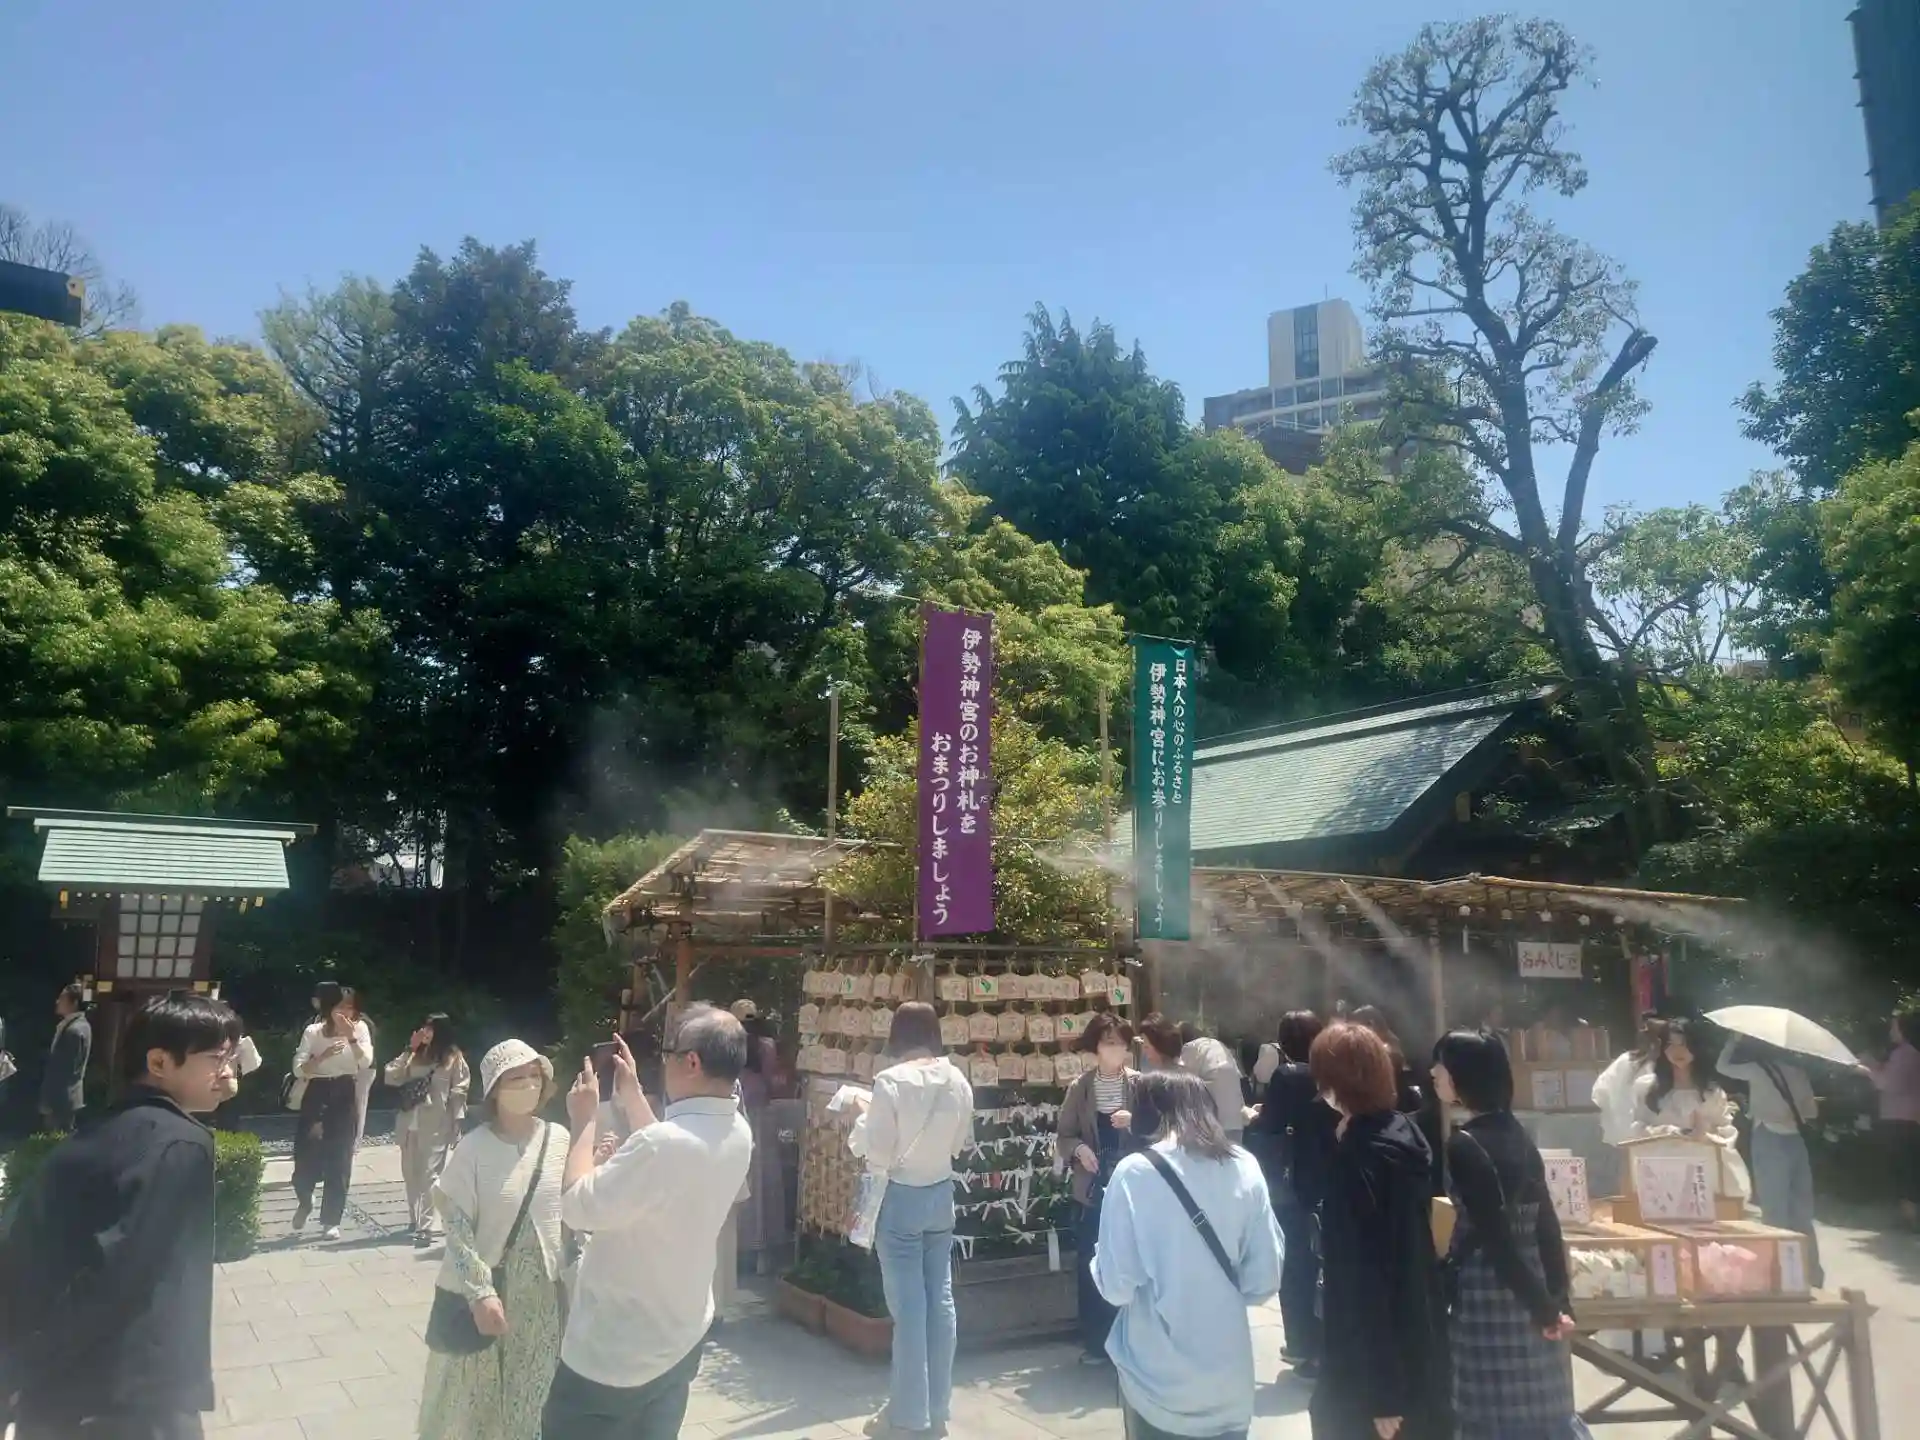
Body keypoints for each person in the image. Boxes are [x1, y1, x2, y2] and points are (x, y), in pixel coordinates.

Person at [3, 991, 238, 1439]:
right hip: (127, 1398)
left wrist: (19, 1370)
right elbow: (117, 1277)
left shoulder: (99, 1133)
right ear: (159, 1062)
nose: (228, 1073)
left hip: (59, 1398)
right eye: (216, 1058)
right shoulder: (181, 1143)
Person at [544, 1005, 754, 1440]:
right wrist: (633, 1093)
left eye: (669, 1053)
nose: (665, 1062)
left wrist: (584, 1120)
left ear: (691, 1062)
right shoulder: (737, 1129)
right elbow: (667, 1149)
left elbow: (576, 1206)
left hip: (615, 1354)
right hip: (680, 1337)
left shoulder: (663, 1147)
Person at [1091, 1069, 1283, 1440]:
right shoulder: (1244, 1166)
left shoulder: (1134, 1173)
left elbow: (1116, 1287)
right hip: (1230, 1383)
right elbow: (1264, 1280)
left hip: (1155, 1384)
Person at [1431, 1030, 1586, 1440]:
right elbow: (1546, 1224)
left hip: (1487, 1291)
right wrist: (1557, 1300)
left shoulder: (1464, 1144)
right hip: (1532, 1284)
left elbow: (1495, 1239)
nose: (1434, 1073)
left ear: (1462, 1076)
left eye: (1441, 1066)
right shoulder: (1518, 1135)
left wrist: (1545, 1308)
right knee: (1542, 1414)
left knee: (1488, 1418)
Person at [417, 1040, 566, 1440]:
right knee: (473, 1400)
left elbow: (573, 1206)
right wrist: (480, 1292)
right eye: (517, 1077)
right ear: (496, 1088)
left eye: (534, 1076)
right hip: (488, 1289)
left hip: (544, 1295)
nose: (528, 1084)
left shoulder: (558, 1139)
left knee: (534, 1392)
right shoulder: (473, 1148)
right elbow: (456, 1226)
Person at [1308, 1020, 1446, 1440]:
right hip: (1417, 1343)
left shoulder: (1357, 1161)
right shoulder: (1403, 1134)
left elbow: (1365, 1278)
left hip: (1367, 1370)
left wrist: (1383, 1392)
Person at [846, 1002, 975, 1439]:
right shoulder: (957, 1078)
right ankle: (936, 1410)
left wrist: (859, 1116)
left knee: (910, 1311)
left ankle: (907, 1415)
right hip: (940, 1194)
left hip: (900, 1198)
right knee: (940, 1303)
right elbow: (960, 1143)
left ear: (896, 1034)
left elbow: (876, 1152)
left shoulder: (890, 1081)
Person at [1245, 1009, 1335, 1374]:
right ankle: (1324, 1344)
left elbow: (1271, 1125)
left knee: (1295, 1261)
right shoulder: (1331, 1071)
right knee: (1323, 1262)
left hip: (1293, 1179)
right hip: (1330, 1175)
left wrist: (1252, 1116)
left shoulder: (1287, 1075)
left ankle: (1301, 1342)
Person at [1055, 1011, 1144, 1365]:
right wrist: (1079, 1149)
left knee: (1132, 1261)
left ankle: (1134, 1339)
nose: (1116, 1049)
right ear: (1096, 1047)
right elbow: (1064, 1135)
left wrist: (1134, 1121)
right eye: (1109, 1043)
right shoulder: (1081, 1087)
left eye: (1121, 1043)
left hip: (1133, 1186)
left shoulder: (1139, 1085)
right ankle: (1096, 1341)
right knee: (1092, 1260)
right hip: (1093, 1185)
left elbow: (1160, 1129)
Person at [1718, 1034, 1823, 1286]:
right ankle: (1811, 1275)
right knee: (1801, 1211)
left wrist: (1732, 1041)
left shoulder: (1757, 1069)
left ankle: (1777, 1275)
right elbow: (1811, 1111)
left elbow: (1722, 1067)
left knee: (1774, 1211)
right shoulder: (1799, 1072)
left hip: (1768, 1136)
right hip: (1796, 1139)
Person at [1631, 1017, 1751, 1203]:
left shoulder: (1712, 1093)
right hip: (1661, 1169)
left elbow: (1727, 1132)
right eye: (1671, 1044)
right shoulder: (1647, 1088)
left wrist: (1706, 1134)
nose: (1677, 1051)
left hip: (1703, 1173)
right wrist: (1669, 1132)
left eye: (1684, 1045)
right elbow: (1636, 1129)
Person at [290, 980, 374, 1240]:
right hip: (317, 1090)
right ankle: (305, 1198)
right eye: (340, 1007)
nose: (345, 1013)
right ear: (329, 1008)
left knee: (340, 1156)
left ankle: (331, 1221)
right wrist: (321, 1057)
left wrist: (351, 1037)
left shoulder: (360, 1029)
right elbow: (298, 1068)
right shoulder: (314, 1031)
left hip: (345, 1090)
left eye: (350, 1007)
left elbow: (366, 1062)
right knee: (307, 1148)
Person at [385, 1012, 472, 1246]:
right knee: (410, 1173)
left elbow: (459, 1091)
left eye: (430, 1028)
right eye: (424, 1027)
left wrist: (457, 1122)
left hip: (437, 1123)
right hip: (409, 1121)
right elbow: (391, 1076)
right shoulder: (414, 1054)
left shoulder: (453, 1058)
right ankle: (414, 1219)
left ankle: (426, 1226)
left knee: (430, 1175)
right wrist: (409, 1050)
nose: (425, 1032)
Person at [730, 998, 788, 1271]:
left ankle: (738, 1245)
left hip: (734, 1114)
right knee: (765, 1179)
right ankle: (763, 1250)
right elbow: (773, 1083)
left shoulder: (727, 1043)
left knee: (739, 1178)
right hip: (761, 1115)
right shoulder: (766, 1046)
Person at [1140, 1014, 1245, 1143]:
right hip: (1234, 1124)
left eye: (1146, 1047)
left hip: (1210, 1132)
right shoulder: (1218, 1049)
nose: (1145, 1053)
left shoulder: (1189, 1054)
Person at [1864, 1009, 1920, 1229]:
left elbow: (1888, 1084)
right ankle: (1909, 1215)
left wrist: (1867, 1070)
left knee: (1903, 1169)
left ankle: (1910, 1218)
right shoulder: (1910, 1053)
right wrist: (1875, 1067)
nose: (1891, 1031)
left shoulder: (1903, 1054)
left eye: (1894, 1027)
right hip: (1908, 1118)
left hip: (1899, 1119)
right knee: (1907, 1167)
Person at [1592, 1013, 1666, 1147]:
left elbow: (1601, 1091)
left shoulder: (1627, 1059)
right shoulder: (1631, 1061)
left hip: (1632, 1127)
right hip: (1640, 1128)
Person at [39, 982, 92, 1133]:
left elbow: (63, 1070)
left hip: (61, 1100)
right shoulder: (80, 1025)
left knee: (55, 1139)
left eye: (62, 998)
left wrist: (49, 1102)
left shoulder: (73, 1031)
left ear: (74, 1003)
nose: (57, 1001)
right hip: (68, 1097)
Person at [344, 988, 378, 1145]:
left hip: (364, 1070)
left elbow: (367, 1054)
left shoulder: (363, 1024)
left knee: (359, 1104)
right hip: (344, 1069)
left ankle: (355, 1142)